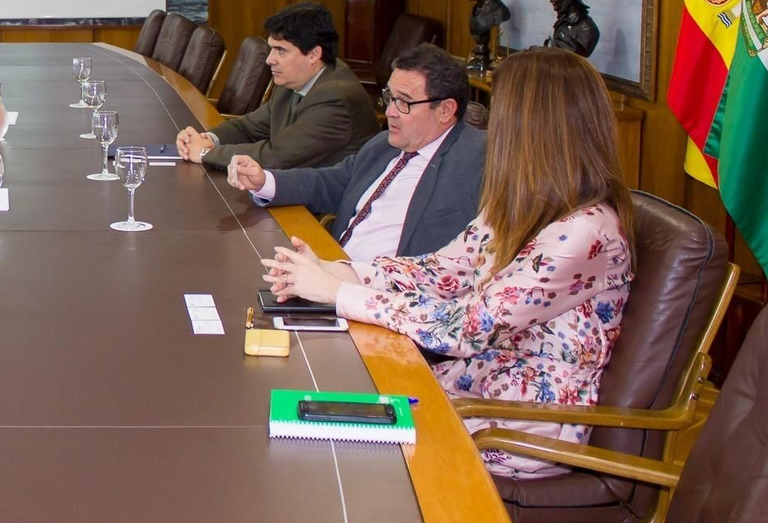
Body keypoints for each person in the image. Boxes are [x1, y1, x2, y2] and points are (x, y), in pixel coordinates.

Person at [261, 47, 633, 477]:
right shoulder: (521, 205)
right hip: (465, 390)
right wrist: (338, 271)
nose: (493, 133)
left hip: (514, 425)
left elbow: (466, 328)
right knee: (306, 410)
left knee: (326, 448)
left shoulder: (584, 233)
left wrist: (339, 293)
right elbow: (441, 271)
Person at [228, 44, 484, 260]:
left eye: (404, 102)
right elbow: (332, 182)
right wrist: (264, 180)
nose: (390, 112)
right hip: (331, 264)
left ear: (445, 110)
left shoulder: (476, 160)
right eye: (390, 97)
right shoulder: (384, 145)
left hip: (385, 292)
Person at [174, 1, 378, 171]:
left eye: (281, 51)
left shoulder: (335, 98)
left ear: (314, 54)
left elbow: (277, 157)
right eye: (272, 49)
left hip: (321, 204)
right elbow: (248, 128)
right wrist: (207, 138)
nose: (269, 60)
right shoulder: (293, 81)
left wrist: (206, 153)